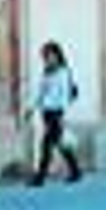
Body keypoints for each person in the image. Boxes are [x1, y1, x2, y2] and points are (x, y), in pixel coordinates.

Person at [24, 40, 82, 186]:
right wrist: (31, 108)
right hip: (46, 112)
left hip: (56, 113)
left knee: (46, 144)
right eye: (46, 56)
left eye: (51, 55)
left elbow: (65, 95)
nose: (49, 59)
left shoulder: (63, 72)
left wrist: (62, 115)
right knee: (59, 142)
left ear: (57, 55)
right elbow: (40, 93)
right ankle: (75, 171)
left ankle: (40, 177)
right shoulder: (46, 73)